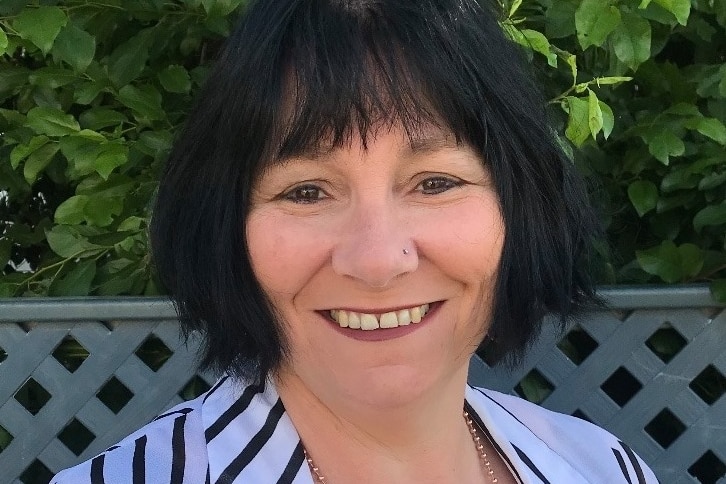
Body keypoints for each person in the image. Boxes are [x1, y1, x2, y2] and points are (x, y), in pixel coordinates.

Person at [54, 0, 660, 482]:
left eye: (436, 182)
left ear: (520, 207)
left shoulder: (602, 466)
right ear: (223, 227)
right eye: (306, 192)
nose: (376, 261)